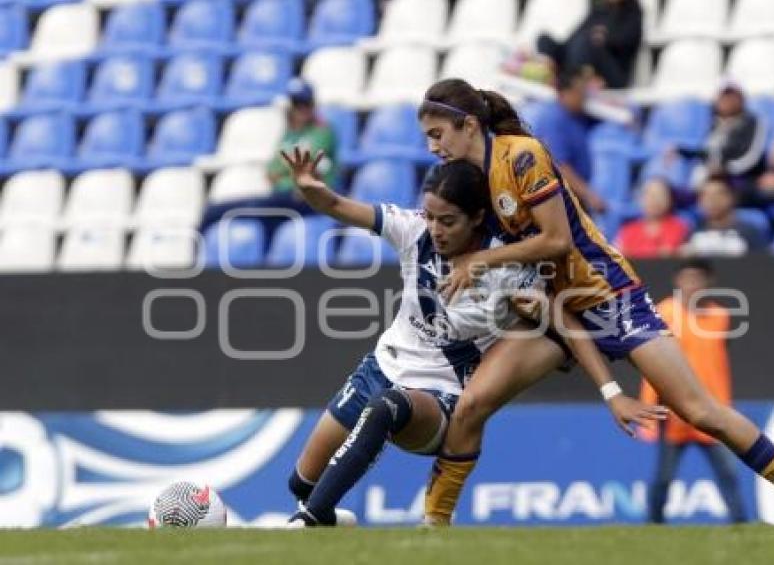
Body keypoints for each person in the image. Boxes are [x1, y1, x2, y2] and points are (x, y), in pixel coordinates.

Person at [416, 77, 774, 526]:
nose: (431, 147)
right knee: (472, 405)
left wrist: (483, 261)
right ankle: (434, 530)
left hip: (608, 296)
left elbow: (558, 240)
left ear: (467, 125)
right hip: (557, 306)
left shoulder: (521, 156)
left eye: (436, 134)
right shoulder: (472, 183)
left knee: (701, 412)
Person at [278, 151, 656, 527]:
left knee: (387, 409)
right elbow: (337, 205)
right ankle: (325, 517)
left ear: (476, 218)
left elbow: (567, 323)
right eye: (430, 217)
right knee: (302, 483)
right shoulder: (412, 230)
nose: (436, 229)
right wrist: (310, 188)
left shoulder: (508, 267)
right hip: (379, 369)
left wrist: (611, 392)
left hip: (439, 395)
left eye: (448, 221)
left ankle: (307, 522)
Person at [640, 259, 747, 524]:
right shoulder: (664, 312)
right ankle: (653, 526)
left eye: (697, 279)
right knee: (664, 477)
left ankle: (743, 525)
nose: (692, 285)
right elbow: (653, 363)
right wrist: (650, 409)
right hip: (676, 412)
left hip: (715, 410)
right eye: (687, 279)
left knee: (728, 473)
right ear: (678, 282)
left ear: (708, 283)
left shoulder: (721, 316)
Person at [199, 77, 338, 238]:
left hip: (311, 199)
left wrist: (288, 172)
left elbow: (305, 168)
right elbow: (272, 173)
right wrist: (290, 172)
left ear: (313, 105)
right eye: (296, 104)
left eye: (305, 104)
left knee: (247, 208)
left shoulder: (322, 131)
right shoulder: (290, 135)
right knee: (216, 211)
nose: (301, 110)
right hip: (285, 196)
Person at [674, 82, 766, 197]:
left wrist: (726, 170)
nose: (726, 101)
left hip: (741, 178)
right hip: (712, 175)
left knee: (713, 190)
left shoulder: (751, 122)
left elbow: (751, 157)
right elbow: (707, 152)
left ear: (740, 99)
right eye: (723, 96)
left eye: (731, 96)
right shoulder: (716, 123)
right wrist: (681, 151)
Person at [542, 68, 607, 213]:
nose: (584, 96)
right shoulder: (554, 120)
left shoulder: (580, 115)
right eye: (580, 92)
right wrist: (589, 195)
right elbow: (561, 166)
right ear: (564, 93)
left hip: (578, 195)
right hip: (564, 199)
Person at [537, 0, 642, 89]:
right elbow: (574, 38)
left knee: (586, 42)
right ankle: (554, 73)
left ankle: (571, 81)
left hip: (612, 73)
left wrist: (605, 38)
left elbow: (627, 41)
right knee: (545, 39)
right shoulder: (599, 11)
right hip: (582, 57)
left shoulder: (632, 12)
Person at [684, 176, 768, 257]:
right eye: (706, 196)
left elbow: (763, 266)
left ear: (732, 198)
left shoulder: (749, 232)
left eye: (718, 195)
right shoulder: (695, 233)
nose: (711, 201)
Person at [616, 178, 690, 258]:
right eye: (650, 195)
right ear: (640, 199)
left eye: (660, 195)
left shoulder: (680, 227)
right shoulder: (628, 231)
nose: (655, 200)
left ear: (670, 200)